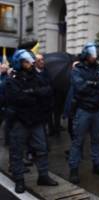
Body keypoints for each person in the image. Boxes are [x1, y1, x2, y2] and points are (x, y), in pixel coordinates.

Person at [5, 49, 58, 194]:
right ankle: (19, 180)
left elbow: (48, 91)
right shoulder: (13, 79)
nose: (31, 63)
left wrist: (32, 92)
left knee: (42, 149)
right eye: (27, 61)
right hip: (19, 120)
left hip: (36, 119)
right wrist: (36, 93)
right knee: (17, 151)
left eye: (30, 61)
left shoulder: (37, 76)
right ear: (20, 62)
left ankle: (43, 176)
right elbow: (17, 98)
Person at [68, 42, 99, 184]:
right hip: (83, 110)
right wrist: (97, 85)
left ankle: (97, 164)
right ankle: (73, 169)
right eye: (93, 55)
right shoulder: (77, 70)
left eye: (96, 55)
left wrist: (92, 83)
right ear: (86, 55)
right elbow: (80, 87)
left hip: (97, 110)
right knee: (78, 141)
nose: (95, 57)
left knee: (96, 140)